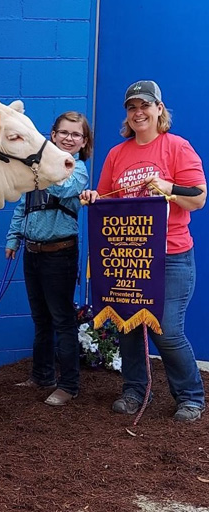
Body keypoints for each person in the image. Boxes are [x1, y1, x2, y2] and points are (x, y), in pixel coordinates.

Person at [80, 80, 207, 422]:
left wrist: (169, 187)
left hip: (171, 256)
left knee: (168, 330)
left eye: (145, 106)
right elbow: (107, 198)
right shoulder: (117, 154)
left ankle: (191, 396)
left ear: (159, 109)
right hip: (129, 257)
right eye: (132, 107)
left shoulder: (177, 147)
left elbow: (197, 197)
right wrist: (93, 198)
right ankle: (136, 391)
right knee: (128, 326)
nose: (139, 112)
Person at [6, 111, 92, 406]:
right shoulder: (37, 172)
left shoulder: (79, 170)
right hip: (32, 252)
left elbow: (66, 186)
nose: (69, 138)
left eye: (76, 135)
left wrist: (43, 171)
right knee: (41, 319)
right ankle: (42, 375)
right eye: (63, 133)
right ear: (52, 136)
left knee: (63, 320)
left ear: (83, 142)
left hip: (60, 255)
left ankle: (69, 384)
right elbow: (23, 207)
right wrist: (13, 238)